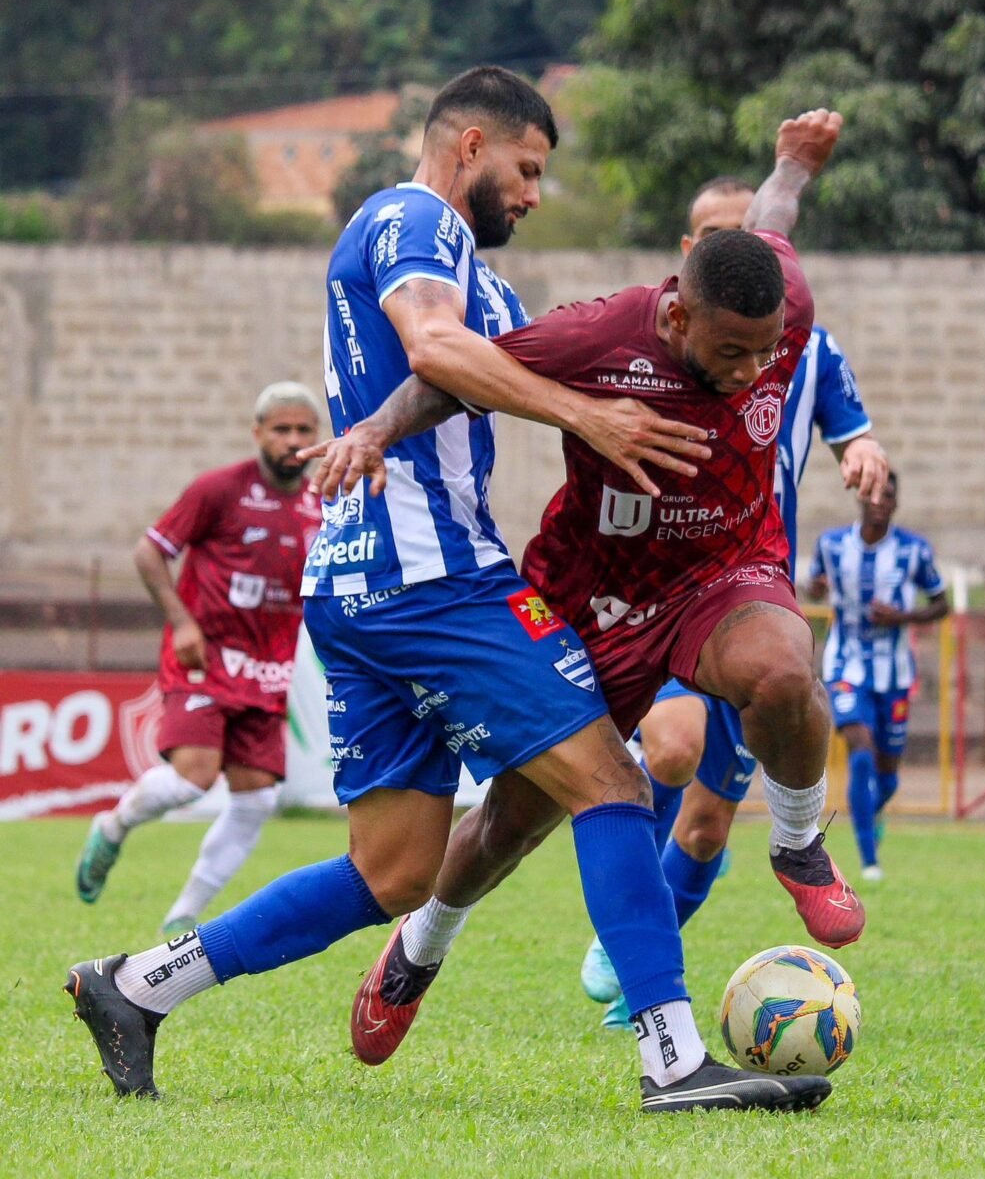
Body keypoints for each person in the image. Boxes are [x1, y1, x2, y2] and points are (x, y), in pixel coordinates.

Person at [63, 66, 830, 1115]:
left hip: (359, 582)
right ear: (469, 144)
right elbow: (432, 346)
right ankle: (673, 1061)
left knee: (392, 871)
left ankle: (136, 986)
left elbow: (477, 357)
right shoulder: (413, 219)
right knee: (612, 782)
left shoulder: (475, 267)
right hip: (429, 572)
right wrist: (591, 419)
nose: (532, 193)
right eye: (526, 168)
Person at [309, 106, 864, 1072]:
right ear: (679, 313)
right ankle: (420, 946)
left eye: (765, 352)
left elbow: (772, 215)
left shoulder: (780, 306)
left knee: (783, 673)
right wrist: (371, 431)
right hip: (594, 599)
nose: (749, 372)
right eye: (730, 352)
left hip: (724, 573)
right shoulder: (601, 337)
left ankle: (798, 841)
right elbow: (458, 379)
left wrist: (793, 163)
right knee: (518, 821)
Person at [582, 175, 888, 1026]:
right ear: (689, 258)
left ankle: (647, 962)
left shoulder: (807, 345)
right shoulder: (642, 345)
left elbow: (853, 430)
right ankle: (628, 931)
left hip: (756, 596)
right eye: (719, 234)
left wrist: (864, 458)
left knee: (712, 827)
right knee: (672, 749)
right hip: (666, 595)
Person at [74, 383, 323, 935]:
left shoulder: (320, 504)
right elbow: (150, 552)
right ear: (258, 433)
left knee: (257, 801)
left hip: (269, 670)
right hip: (205, 656)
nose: (293, 440)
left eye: (304, 430)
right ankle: (113, 827)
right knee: (192, 781)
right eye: (281, 429)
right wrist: (182, 621)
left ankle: (182, 916)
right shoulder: (219, 490)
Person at [809, 471, 948, 879]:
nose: (880, 500)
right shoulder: (832, 545)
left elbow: (941, 605)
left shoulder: (914, 550)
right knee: (861, 749)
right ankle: (869, 861)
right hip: (846, 663)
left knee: (887, 777)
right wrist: (815, 589)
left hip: (895, 672)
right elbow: (815, 584)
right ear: (860, 497)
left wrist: (903, 615)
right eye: (873, 492)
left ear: (895, 502)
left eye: (888, 494)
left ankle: (876, 808)